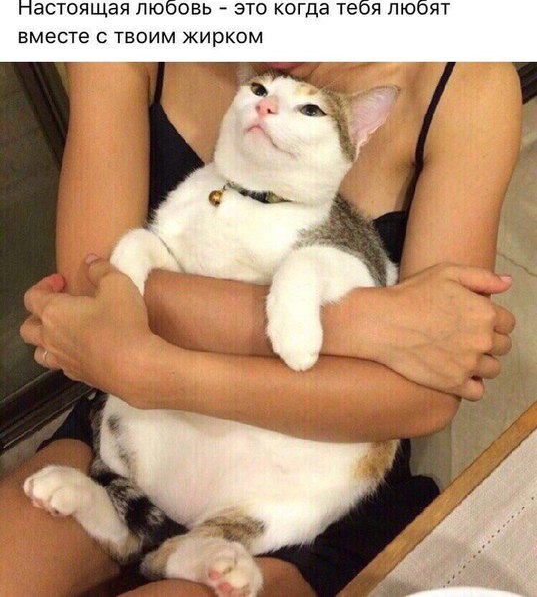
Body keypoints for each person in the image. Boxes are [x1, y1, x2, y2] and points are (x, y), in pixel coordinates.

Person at [2, 62, 520, 597]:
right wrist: (368, 323)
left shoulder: (467, 84)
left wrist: (154, 367)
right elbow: (93, 299)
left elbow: (424, 399)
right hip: (142, 430)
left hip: (307, 475)